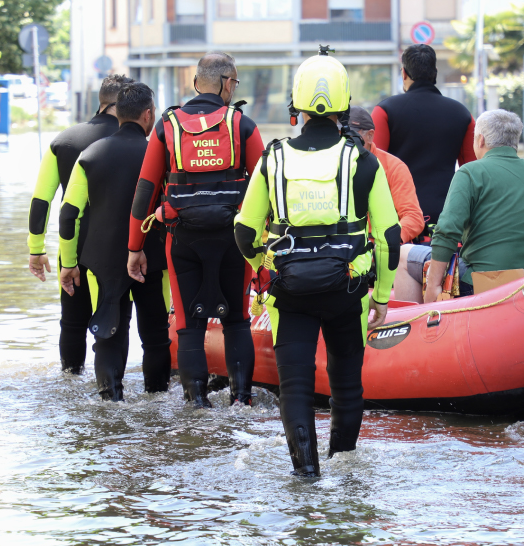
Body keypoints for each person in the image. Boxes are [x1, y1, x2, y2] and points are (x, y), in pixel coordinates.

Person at [233, 49, 401, 476]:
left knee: (295, 386)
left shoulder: (273, 159)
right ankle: (343, 471)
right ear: (344, 106)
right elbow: (389, 237)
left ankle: (305, 475)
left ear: (297, 105)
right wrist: (381, 295)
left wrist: (265, 264)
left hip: (288, 292)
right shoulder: (363, 161)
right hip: (348, 290)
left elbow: (245, 233)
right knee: (346, 383)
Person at [127, 52, 264, 407]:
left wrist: (134, 247)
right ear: (225, 83)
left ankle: (196, 406)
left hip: (182, 239)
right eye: (234, 83)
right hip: (234, 239)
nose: (234, 89)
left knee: (189, 324)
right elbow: (266, 188)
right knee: (237, 319)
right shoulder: (242, 124)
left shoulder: (167, 125)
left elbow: (145, 190)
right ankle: (241, 402)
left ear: (195, 83)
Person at [58, 83, 170, 401]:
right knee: (156, 335)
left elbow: (68, 216)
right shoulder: (158, 154)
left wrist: (69, 264)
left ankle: (110, 401)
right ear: (148, 115)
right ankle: (157, 400)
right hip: (150, 256)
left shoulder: (90, 155)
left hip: (103, 259)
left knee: (108, 333)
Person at [408, 110, 524, 304]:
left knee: (405, 256)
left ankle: (413, 323)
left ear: (481, 140)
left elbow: (446, 232)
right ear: (515, 141)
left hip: (481, 283)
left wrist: (434, 286)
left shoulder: (469, 172)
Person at [27, 74, 132, 374]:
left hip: (71, 244)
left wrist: (36, 249)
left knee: (71, 322)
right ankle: (111, 391)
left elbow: (41, 200)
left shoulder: (63, 141)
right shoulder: (138, 142)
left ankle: (70, 383)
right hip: (120, 250)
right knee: (114, 323)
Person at [371, 44, 475, 239]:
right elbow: (475, 172)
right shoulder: (462, 114)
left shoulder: (384, 111)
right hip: (447, 223)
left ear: (403, 73)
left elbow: (372, 167)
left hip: (398, 226)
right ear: (434, 73)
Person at [347, 106, 424, 244]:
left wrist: (388, 243)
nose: (344, 142)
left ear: (370, 136)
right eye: (340, 135)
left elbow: (413, 217)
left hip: (381, 245)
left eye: (351, 137)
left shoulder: (394, 167)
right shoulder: (333, 164)